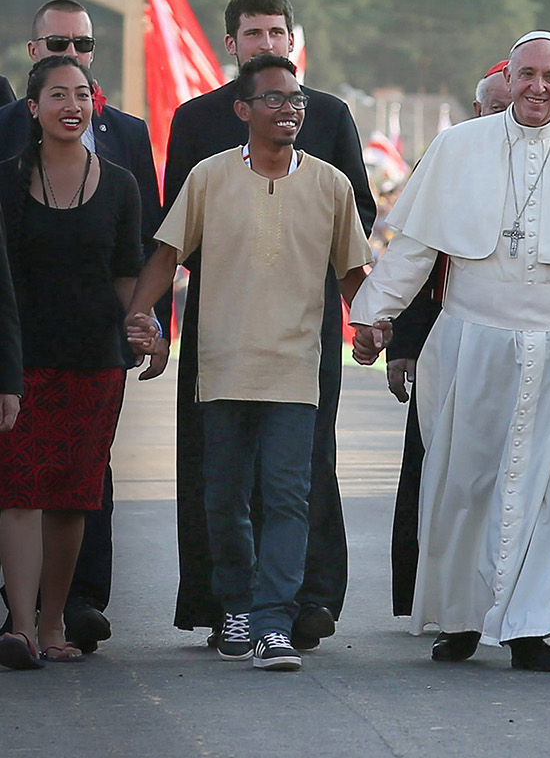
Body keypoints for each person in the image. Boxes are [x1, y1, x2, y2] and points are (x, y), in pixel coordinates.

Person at [349, 31, 550, 673]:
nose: (538, 87)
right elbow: (412, 248)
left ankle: (535, 627)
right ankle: (460, 619)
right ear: (510, 77)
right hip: (470, 340)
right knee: (464, 481)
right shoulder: (457, 147)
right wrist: (373, 316)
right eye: (527, 75)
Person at [125, 54, 372, 671]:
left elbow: (351, 272)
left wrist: (368, 324)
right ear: (243, 110)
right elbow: (167, 253)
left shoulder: (330, 184)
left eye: (296, 101)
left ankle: (271, 622)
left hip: (296, 368)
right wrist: (140, 316)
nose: (289, 109)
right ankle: (235, 605)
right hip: (222, 366)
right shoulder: (209, 177)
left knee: (289, 497)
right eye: (274, 100)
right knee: (224, 498)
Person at [0, 0, 164, 655]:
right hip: (21, 357)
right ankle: (18, 627)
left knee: (71, 495)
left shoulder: (122, 183)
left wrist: (143, 322)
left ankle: (52, 624)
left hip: (94, 361)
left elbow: (132, 270)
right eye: (58, 94)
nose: (73, 104)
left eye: (83, 94)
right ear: (32, 108)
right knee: (16, 491)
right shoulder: (5, 183)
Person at [386, 63, 507, 652]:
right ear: (477, 107)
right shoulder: (449, 158)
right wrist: (401, 345)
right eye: (492, 106)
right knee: (445, 473)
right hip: (449, 344)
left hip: (535, 352)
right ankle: (439, 601)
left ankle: (520, 607)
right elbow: (417, 256)